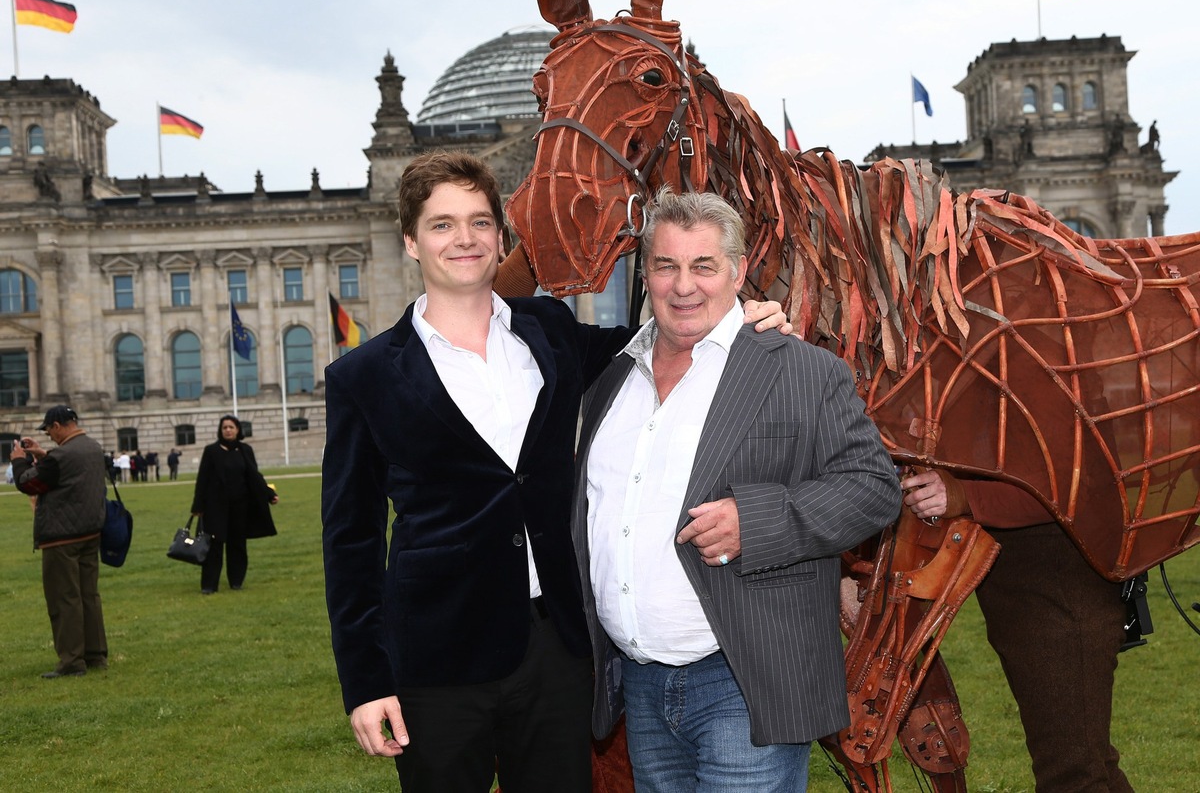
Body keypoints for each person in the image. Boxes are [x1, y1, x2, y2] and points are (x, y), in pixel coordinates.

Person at [321, 151, 791, 793]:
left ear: (499, 237)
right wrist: (366, 684)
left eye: (480, 223)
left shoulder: (549, 331)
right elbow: (349, 542)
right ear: (410, 240)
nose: (465, 239)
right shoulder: (363, 375)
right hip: (438, 656)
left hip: (557, 650)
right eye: (442, 225)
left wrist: (742, 318)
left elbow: (661, 341)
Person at [571, 189, 901, 792]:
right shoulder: (612, 379)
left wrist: (759, 521)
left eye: (703, 266)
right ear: (646, 272)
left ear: (739, 271)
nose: (683, 286)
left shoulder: (799, 369)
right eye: (666, 266)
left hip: (746, 678)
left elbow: (874, 487)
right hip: (641, 685)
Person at [901, 469, 1134, 792]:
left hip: (1058, 576)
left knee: (1073, 772)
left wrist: (965, 495)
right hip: (1035, 579)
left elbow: (1080, 478)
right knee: (1085, 763)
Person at [10, 405, 109, 678]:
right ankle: (96, 655)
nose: (49, 436)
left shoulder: (61, 457)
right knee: (89, 596)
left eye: (49, 431)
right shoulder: (92, 446)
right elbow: (67, 471)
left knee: (64, 600)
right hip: (90, 532)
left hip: (61, 538)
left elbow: (28, 484)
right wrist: (43, 454)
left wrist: (19, 460)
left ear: (56, 425)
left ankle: (71, 662)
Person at [191, 415, 278, 595]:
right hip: (216, 507)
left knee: (237, 545)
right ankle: (209, 585)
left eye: (231, 427)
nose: (228, 430)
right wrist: (198, 506)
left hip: (240, 506)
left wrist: (269, 494)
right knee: (214, 545)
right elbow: (202, 480)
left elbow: (254, 476)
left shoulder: (245, 450)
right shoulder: (211, 451)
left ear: (238, 430)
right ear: (220, 431)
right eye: (225, 428)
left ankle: (236, 581)